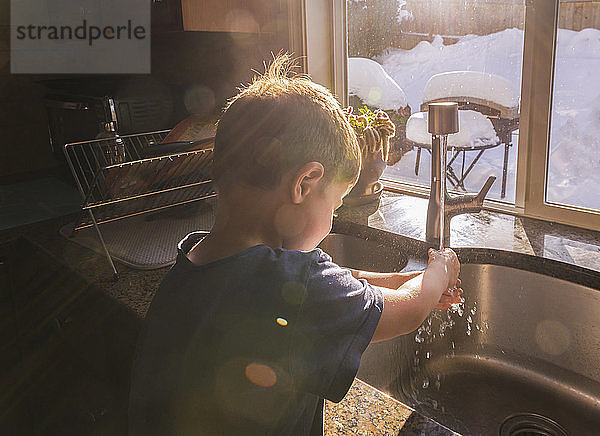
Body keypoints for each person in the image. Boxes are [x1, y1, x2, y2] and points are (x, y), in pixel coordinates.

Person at [128, 54, 462, 436]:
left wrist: (401, 279)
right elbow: (409, 313)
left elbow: (339, 280)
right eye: (335, 204)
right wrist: (439, 269)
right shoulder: (294, 284)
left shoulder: (194, 261)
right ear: (304, 184)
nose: (333, 219)